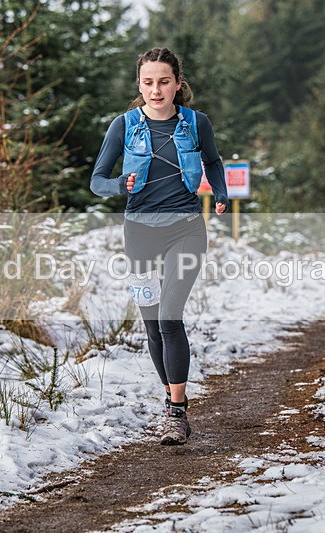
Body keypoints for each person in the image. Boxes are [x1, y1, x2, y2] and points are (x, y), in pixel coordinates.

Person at [90, 47, 229, 445]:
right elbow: (97, 180)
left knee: (170, 317)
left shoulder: (196, 123)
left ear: (177, 84)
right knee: (152, 324)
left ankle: (177, 412)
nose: (156, 90)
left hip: (186, 229)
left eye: (164, 82)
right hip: (139, 234)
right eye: (148, 82)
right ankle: (171, 398)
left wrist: (220, 191)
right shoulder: (123, 125)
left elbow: (213, 161)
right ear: (139, 85)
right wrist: (120, 185)